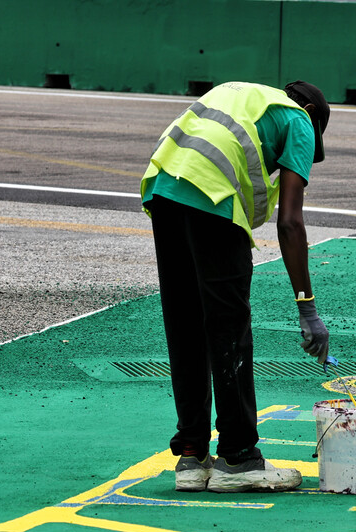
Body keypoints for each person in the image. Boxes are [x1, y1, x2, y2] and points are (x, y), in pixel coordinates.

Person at [140, 81, 331, 493]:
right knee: (228, 329)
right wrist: (307, 308)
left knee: (185, 325)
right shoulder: (300, 118)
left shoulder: (243, 97)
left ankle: (191, 456)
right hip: (211, 195)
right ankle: (239, 458)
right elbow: (290, 222)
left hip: (163, 189)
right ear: (313, 112)